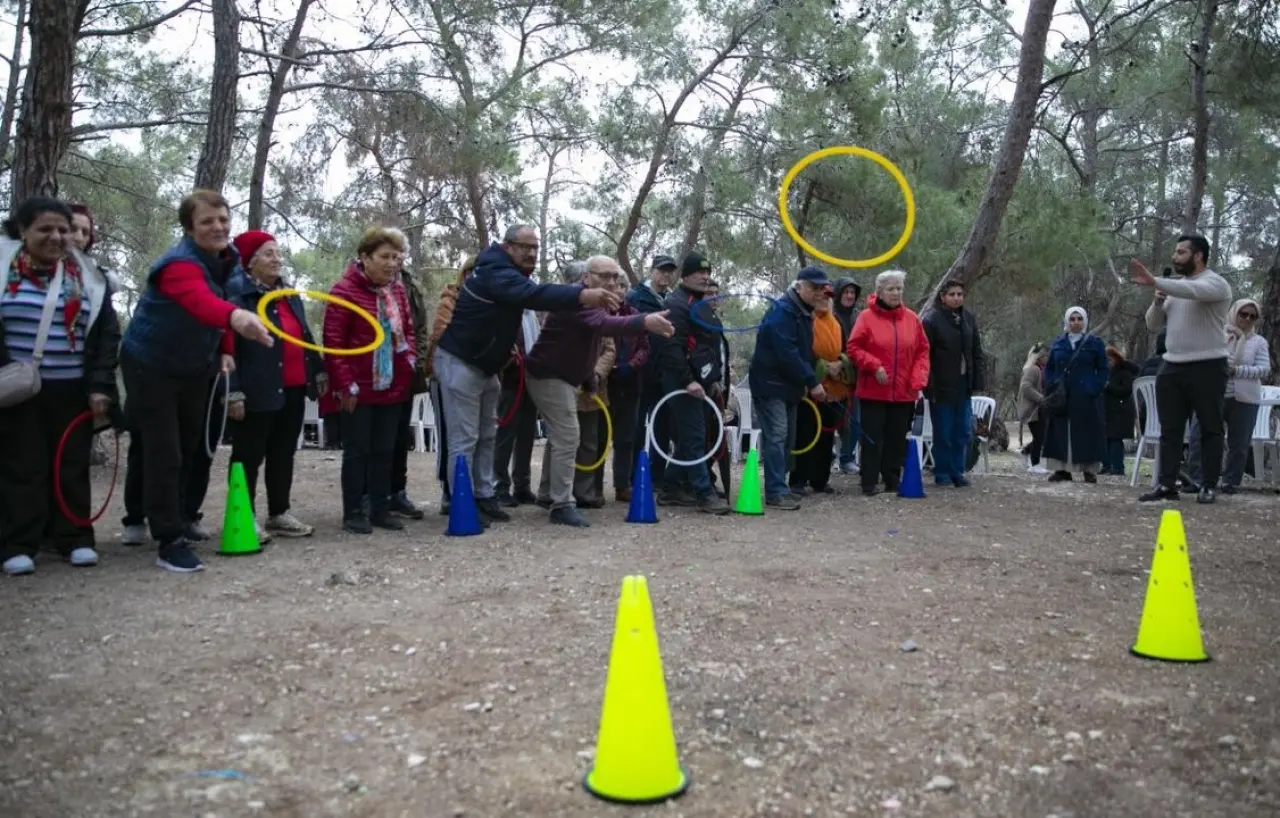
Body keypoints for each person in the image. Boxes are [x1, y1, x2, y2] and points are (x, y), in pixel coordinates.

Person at [119, 189, 275, 572]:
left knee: (190, 446)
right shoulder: (177, 265)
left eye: (223, 219)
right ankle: (168, 541)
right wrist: (237, 320)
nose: (218, 227)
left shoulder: (229, 260)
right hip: (150, 364)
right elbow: (203, 303)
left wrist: (226, 348)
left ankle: (180, 518)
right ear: (189, 228)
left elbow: (226, 299)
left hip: (195, 365)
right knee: (164, 450)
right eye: (207, 221)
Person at [433, 226, 618, 525]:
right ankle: (461, 505)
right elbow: (536, 295)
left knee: (487, 435)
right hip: (460, 361)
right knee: (465, 438)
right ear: (507, 246)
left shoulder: (511, 275)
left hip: (486, 366)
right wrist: (582, 295)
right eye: (524, 246)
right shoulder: (495, 272)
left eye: (535, 247)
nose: (531, 252)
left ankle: (483, 495)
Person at [0, 197, 121, 576]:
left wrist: (100, 386)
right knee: (24, 466)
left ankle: (76, 538)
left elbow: (106, 336)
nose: (56, 237)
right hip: (18, 390)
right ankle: (19, 544)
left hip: (72, 389)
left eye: (63, 230)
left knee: (71, 465)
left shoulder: (90, 279)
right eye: (45, 229)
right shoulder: (4, 271)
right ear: (23, 231)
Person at [523, 256, 673, 527]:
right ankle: (561, 504)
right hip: (547, 375)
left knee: (565, 437)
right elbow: (605, 326)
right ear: (585, 278)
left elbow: (589, 345)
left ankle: (550, 495)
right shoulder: (575, 299)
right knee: (569, 435)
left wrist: (588, 379)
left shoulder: (598, 304)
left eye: (615, 277)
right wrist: (644, 321)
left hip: (566, 377)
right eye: (604, 276)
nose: (611, 282)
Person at [224, 229, 326, 540]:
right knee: (248, 455)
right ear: (249, 261)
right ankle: (244, 516)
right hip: (256, 388)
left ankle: (279, 513)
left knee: (283, 453)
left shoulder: (288, 294)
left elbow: (304, 334)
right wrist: (233, 390)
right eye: (268, 254)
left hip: (293, 386)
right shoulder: (237, 294)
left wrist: (318, 370)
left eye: (278, 253)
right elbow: (226, 347)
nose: (277, 259)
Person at [323, 226, 416, 534]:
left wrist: (409, 360)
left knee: (385, 449)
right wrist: (345, 384)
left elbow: (408, 330)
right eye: (384, 257)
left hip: (392, 384)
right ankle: (353, 512)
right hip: (358, 387)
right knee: (358, 450)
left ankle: (380, 508)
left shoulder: (397, 290)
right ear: (365, 257)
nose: (392, 263)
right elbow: (334, 342)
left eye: (396, 257)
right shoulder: (344, 291)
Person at [1131, 235, 1232, 503]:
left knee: (1210, 427)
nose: (1174, 257)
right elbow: (1153, 325)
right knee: (1171, 429)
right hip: (1172, 366)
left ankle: (1208, 485)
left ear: (1198, 256)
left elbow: (1194, 292)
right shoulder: (1175, 288)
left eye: (1181, 252)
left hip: (1208, 365)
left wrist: (1156, 281)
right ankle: (1167, 485)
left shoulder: (1215, 283)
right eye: (1175, 252)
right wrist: (1157, 301)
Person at [654, 251, 731, 514]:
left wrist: (713, 380)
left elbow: (708, 347)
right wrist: (688, 381)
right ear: (685, 275)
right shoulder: (677, 305)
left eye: (708, 272)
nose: (705, 277)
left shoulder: (701, 304)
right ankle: (704, 493)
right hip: (681, 382)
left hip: (703, 382)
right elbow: (671, 346)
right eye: (699, 272)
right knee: (695, 436)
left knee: (691, 438)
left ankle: (670, 488)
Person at [748, 266, 829, 509]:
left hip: (789, 386)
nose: (819, 292)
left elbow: (804, 352)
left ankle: (780, 486)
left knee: (787, 439)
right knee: (777, 435)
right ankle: (775, 491)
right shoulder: (783, 311)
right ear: (799, 286)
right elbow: (787, 352)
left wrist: (805, 380)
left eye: (821, 288)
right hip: (770, 384)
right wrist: (812, 381)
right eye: (813, 287)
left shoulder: (803, 312)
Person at [846, 270, 930, 496]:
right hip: (874, 390)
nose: (896, 293)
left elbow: (922, 351)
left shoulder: (912, 319)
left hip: (904, 391)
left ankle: (892, 479)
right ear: (879, 291)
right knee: (872, 438)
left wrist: (918, 378)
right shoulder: (866, 318)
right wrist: (874, 366)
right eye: (891, 289)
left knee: (897, 437)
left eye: (899, 288)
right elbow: (853, 348)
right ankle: (869, 481)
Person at [1187, 299, 1270, 494]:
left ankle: (1230, 482)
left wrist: (1237, 370)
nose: (1247, 319)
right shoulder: (1216, 335)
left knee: (1239, 442)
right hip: (1212, 394)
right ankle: (1198, 479)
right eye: (1243, 314)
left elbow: (1264, 369)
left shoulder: (1258, 342)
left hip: (1245, 398)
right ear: (1234, 313)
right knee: (1199, 437)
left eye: (1252, 316)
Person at [789, 282, 851, 497]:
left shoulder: (837, 322)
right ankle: (798, 480)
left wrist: (841, 364)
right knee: (805, 433)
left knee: (827, 435)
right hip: (809, 389)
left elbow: (846, 350)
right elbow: (801, 352)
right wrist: (823, 367)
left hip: (834, 389)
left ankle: (820, 480)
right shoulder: (805, 320)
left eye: (828, 297)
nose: (825, 299)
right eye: (822, 295)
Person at [922, 279, 985, 487]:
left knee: (962, 431)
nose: (957, 298)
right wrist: (928, 384)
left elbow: (976, 352)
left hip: (963, 384)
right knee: (944, 432)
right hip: (941, 385)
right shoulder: (932, 320)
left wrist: (978, 381)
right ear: (943, 297)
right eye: (952, 294)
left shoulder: (968, 319)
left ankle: (958, 471)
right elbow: (925, 355)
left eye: (960, 294)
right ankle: (942, 473)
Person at [626, 254, 679, 486]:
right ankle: (632, 476)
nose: (665, 275)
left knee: (662, 425)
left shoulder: (673, 301)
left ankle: (657, 477)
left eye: (669, 271)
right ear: (652, 271)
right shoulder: (635, 297)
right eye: (661, 270)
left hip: (665, 373)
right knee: (636, 426)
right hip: (640, 372)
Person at [1041, 307, 1108, 483]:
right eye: (1072, 319)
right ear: (1067, 321)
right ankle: (1061, 470)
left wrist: (1093, 388)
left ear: (1084, 321)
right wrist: (1052, 385)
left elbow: (1103, 369)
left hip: (1086, 398)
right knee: (1061, 431)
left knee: (1087, 432)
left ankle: (1089, 470)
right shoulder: (1058, 343)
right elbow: (1049, 368)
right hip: (1062, 397)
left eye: (1079, 319)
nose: (1076, 322)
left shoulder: (1094, 343)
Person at [389, 235, 430, 519]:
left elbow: (420, 327)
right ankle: (371, 496)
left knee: (400, 435)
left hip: (407, 370)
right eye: (390, 254)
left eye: (400, 254)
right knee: (377, 439)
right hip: (376, 373)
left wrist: (420, 360)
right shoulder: (365, 283)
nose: (396, 259)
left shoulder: (411, 285)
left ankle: (398, 493)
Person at [831, 277, 863, 473]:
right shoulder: (830, 315)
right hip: (831, 377)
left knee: (854, 421)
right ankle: (827, 457)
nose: (850, 296)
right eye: (846, 292)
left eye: (852, 292)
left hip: (855, 376)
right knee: (831, 418)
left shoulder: (860, 317)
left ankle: (847, 458)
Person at [1101, 345, 1139, 477]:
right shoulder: (1105, 372)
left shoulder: (1124, 371)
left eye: (1109, 359)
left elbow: (1126, 390)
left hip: (1120, 411)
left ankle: (1117, 467)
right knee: (1106, 438)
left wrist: (1109, 386)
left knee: (1115, 439)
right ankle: (1106, 465)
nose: (1107, 362)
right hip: (1108, 409)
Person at [1018, 343, 1049, 474]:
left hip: (1040, 410)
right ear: (1039, 358)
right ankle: (1035, 464)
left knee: (1042, 436)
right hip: (1033, 411)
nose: (1047, 358)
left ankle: (1025, 452)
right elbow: (1025, 387)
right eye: (1045, 356)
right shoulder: (1033, 369)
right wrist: (1041, 398)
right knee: (1039, 436)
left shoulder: (1042, 369)